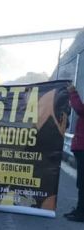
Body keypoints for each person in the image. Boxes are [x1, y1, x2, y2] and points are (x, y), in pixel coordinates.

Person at [65, 84, 84, 222]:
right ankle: (79, 209)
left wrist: (73, 93)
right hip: (80, 147)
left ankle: (81, 213)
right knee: (81, 182)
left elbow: (80, 109)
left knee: (82, 183)